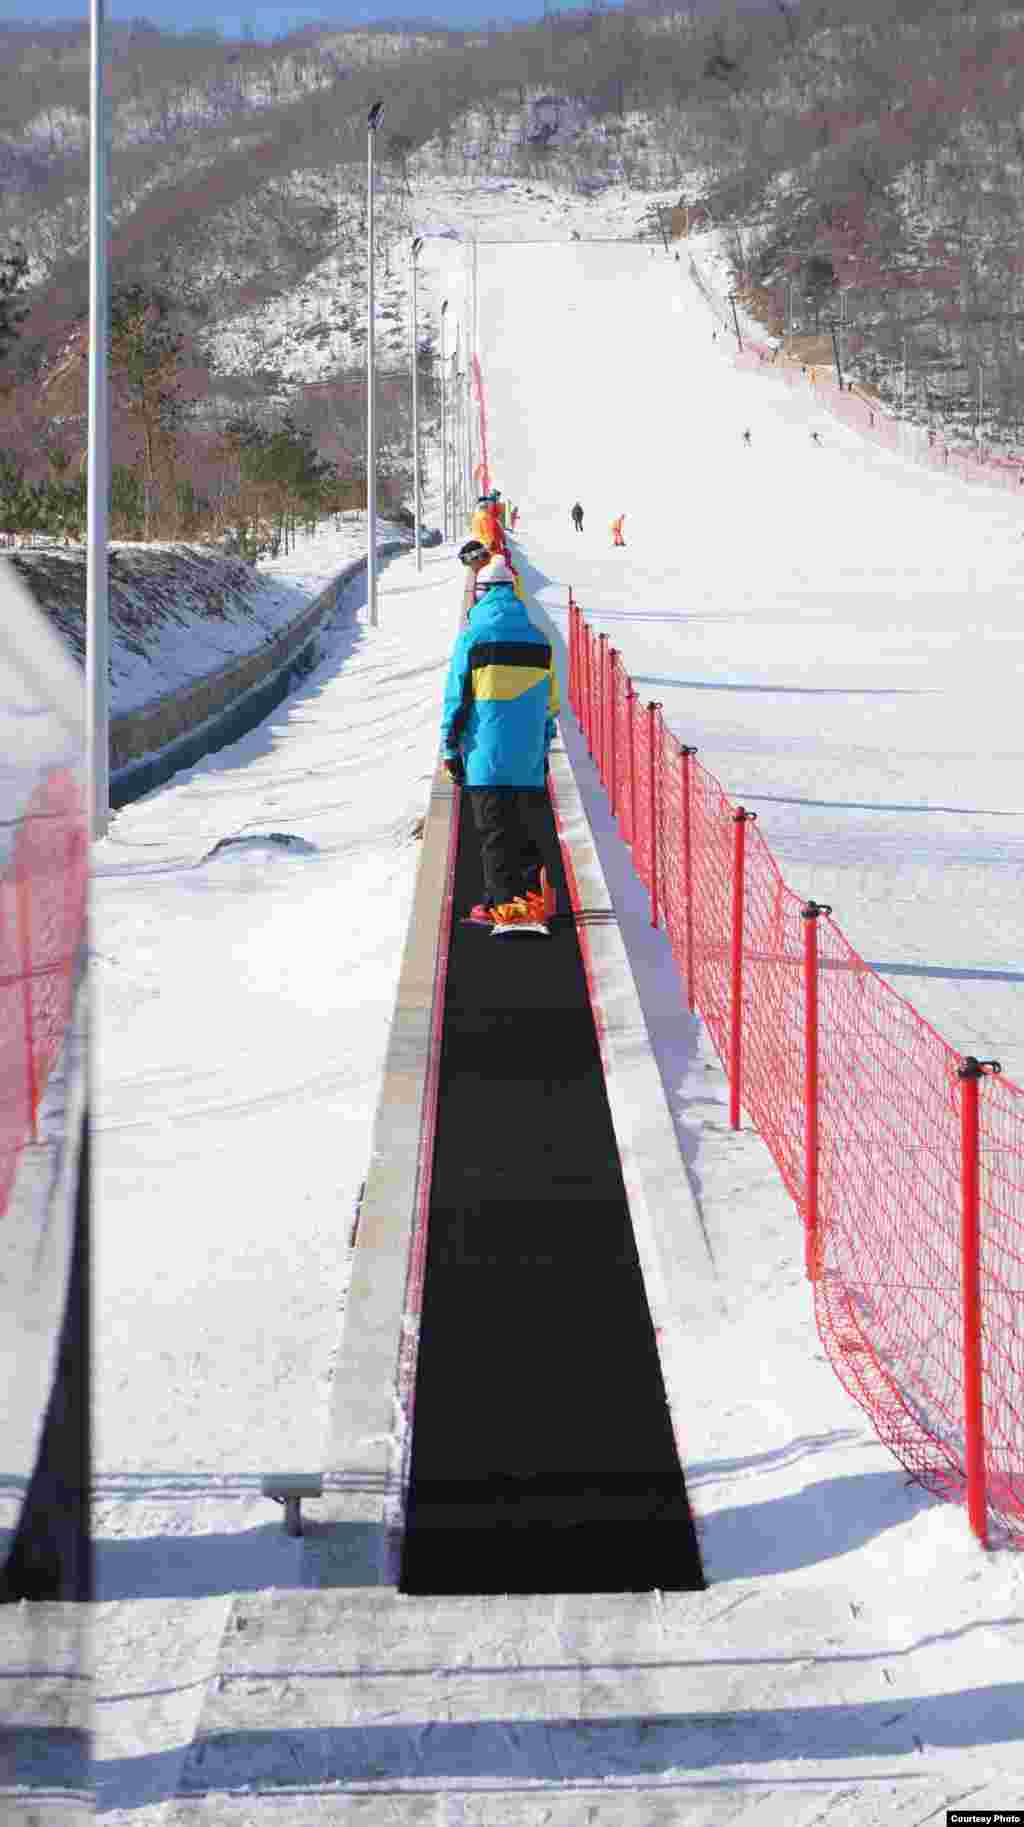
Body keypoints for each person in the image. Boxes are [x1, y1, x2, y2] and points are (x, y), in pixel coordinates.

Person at [441, 555, 560, 932]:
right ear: (513, 592)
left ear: (481, 594)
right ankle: (529, 899)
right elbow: (551, 706)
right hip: (527, 759)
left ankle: (502, 905)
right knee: (525, 831)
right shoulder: (541, 640)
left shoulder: (473, 638)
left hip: (484, 757)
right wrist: (541, 749)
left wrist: (450, 749)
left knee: (494, 833)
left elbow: (455, 699)